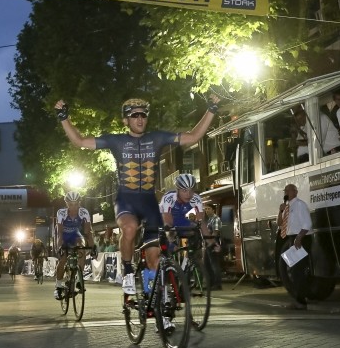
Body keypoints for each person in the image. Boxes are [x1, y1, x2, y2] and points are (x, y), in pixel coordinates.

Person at [54, 96, 219, 298]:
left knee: (154, 258)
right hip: (127, 199)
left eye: (143, 115)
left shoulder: (156, 138)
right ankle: (128, 272)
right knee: (130, 227)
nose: (140, 119)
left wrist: (211, 108)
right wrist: (64, 117)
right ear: (126, 120)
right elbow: (79, 141)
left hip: (149, 201)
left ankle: (159, 305)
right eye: (134, 116)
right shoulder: (117, 141)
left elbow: (193, 137)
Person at [276, 183, 312, 310]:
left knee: (298, 272)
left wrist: (299, 238)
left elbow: (307, 224)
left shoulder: (300, 205)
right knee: (293, 271)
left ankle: (301, 302)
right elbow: (280, 224)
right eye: (285, 191)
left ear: (295, 192)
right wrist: (280, 211)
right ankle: (299, 299)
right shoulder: (286, 207)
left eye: (288, 190)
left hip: (301, 239)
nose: (286, 193)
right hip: (292, 238)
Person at [53, 191, 95, 300]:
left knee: (81, 248)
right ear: (66, 204)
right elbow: (60, 233)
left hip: (76, 234)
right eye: (71, 204)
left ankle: (78, 281)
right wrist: (59, 246)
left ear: (79, 203)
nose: (74, 207)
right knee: (63, 259)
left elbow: (88, 231)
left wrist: (92, 246)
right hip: (64, 236)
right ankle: (58, 286)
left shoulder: (84, 212)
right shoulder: (61, 213)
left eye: (76, 204)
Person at [204, 203, 223, 290]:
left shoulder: (216, 219)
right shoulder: (209, 219)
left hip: (214, 244)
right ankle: (211, 283)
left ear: (213, 210)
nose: (207, 210)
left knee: (214, 264)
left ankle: (217, 284)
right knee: (207, 264)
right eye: (206, 209)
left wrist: (211, 243)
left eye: (208, 209)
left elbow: (215, 232)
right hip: (208, 244)